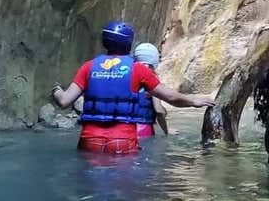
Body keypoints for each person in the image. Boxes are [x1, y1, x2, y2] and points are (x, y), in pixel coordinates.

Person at [52, 21, 214, 154]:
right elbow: (170, 97)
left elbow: (64, 101)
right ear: (128, 43)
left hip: (90, 140)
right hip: (122, 141)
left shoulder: (88, 67)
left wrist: (55, 90)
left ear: (105, 41)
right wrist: (193, 100)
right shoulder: (137, 69)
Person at [133, 42, 169, 138]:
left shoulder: (128, 74)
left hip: (125, 129)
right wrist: (166, 132)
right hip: (143, 131)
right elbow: (159, 111)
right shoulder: (151, 78)